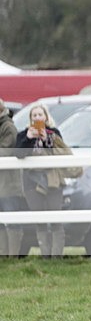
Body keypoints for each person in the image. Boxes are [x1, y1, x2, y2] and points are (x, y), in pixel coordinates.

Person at [14, 103, 74, 257]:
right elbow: (18, 154)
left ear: (46, 117)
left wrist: (47, 139)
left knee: (55, 218)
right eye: (34, 116)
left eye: (40, 115)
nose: (37, 118)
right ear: (30, 119)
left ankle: (57, 256)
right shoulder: (23, 135)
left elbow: (62, 152)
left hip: (52, 181)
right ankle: (45, 255)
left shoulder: (54, 133)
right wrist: (28, 138)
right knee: (39, 219)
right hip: (31, 183)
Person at [0, 98, 26, 257]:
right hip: (2, 184)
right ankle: (3, 254)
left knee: (12, 221)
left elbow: (6, 151)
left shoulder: (8, 127)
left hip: (9, 184)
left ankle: (13, 255)